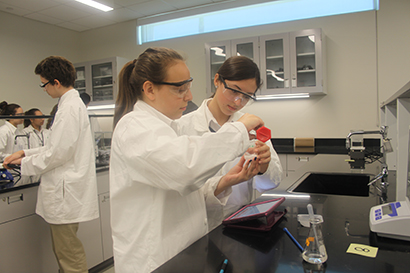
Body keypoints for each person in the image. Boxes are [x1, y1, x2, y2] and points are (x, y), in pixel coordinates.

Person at [110, 47, 265, 273]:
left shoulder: (167, 127)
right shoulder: (133, 127)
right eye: (180, 89)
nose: (189, 96)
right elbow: (183, 170)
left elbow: (182, 193)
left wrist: (226, 181)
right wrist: (239, 129)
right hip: (153, 262)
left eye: (189, 87)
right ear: (150, 89)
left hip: (184, 255)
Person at [3, 56, 99, 273]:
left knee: (69, 254)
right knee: (65, 251)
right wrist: (24, 152)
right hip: (66, 190)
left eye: (44, 84)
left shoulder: (69, 108)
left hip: (65, 193)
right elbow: (56, 146)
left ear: (56, 82)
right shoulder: (69, 105)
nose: (44, 89)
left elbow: (57, 153)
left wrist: (23, 163)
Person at [178, 55, 283, 230]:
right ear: (217, 80)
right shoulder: (183, 127)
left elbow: (271, 183)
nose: (238, 102)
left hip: (241, 225)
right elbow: (181, 190)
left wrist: (264, 166)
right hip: (197, 226)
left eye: (247, 96)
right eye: (234, 91)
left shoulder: (252, 126)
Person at [80, 92, 102, 157]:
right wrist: (94, 143)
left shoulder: (74, 114)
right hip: (89, 151)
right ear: (88, 103)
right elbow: (98, 133)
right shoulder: (91, 114)